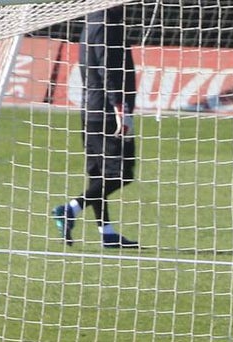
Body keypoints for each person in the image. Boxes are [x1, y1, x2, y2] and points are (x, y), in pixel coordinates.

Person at [52, 4, 139, 249]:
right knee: (121, 173)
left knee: (98, 176)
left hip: (92, 110)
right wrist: (120, 107)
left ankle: (107, 232)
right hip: (105, 112)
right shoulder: (104, 24)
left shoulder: (93, 21)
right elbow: (108, 68)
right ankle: (70, 209)